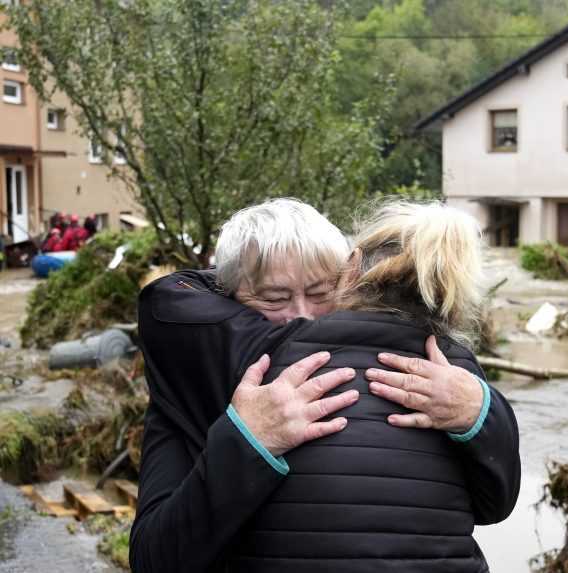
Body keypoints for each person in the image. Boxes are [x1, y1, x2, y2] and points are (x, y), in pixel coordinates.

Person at [131, 198, 519, 572]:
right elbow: (154, 558)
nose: (301, 316)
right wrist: (246, 441)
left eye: (320, 294)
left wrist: (479, 411)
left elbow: (491, 505)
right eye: (273, 297)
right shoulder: (196, 373)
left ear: (349, 278)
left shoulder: (443, 374)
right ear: (225, 299)